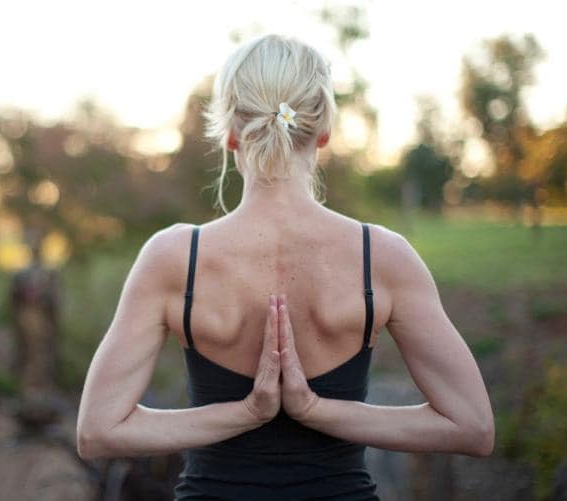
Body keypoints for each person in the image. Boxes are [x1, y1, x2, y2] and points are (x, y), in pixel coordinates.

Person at [76, 34, 495, 499]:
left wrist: (248, 412)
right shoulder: (383, 258)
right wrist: (314, 410)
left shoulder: (174, 258)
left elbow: (99, 431)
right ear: (324, 132)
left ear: (231, 132)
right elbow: (471, 425)